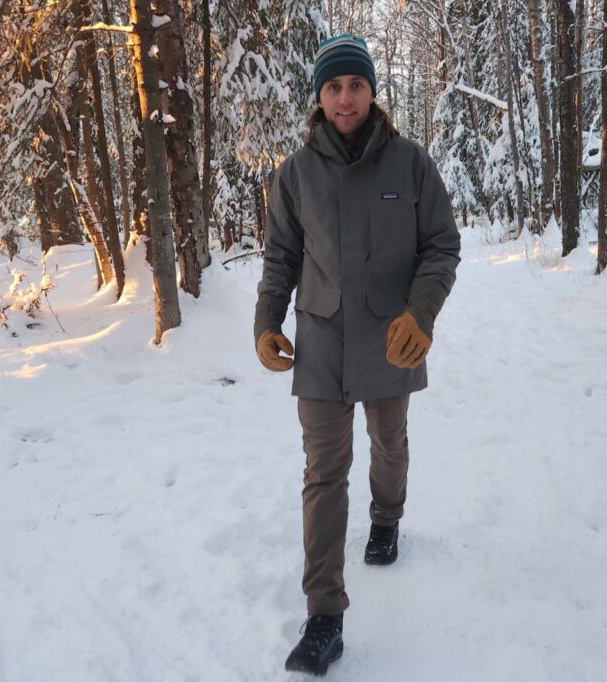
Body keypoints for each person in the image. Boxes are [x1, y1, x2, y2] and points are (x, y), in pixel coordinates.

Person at [253, 33, 460, 676]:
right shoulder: (293, 175)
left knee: (389, 443)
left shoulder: (411, 165)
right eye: (335, 87)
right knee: (322, 474)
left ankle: (388, 517)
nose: (347, 98)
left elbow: (441, 248)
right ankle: (324, 617)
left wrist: (421, 313)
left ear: (373, 91)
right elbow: (281, 258)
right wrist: (267, 322)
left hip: (392, 336)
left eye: (358, 85)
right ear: (319, 96)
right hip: (319, 341)